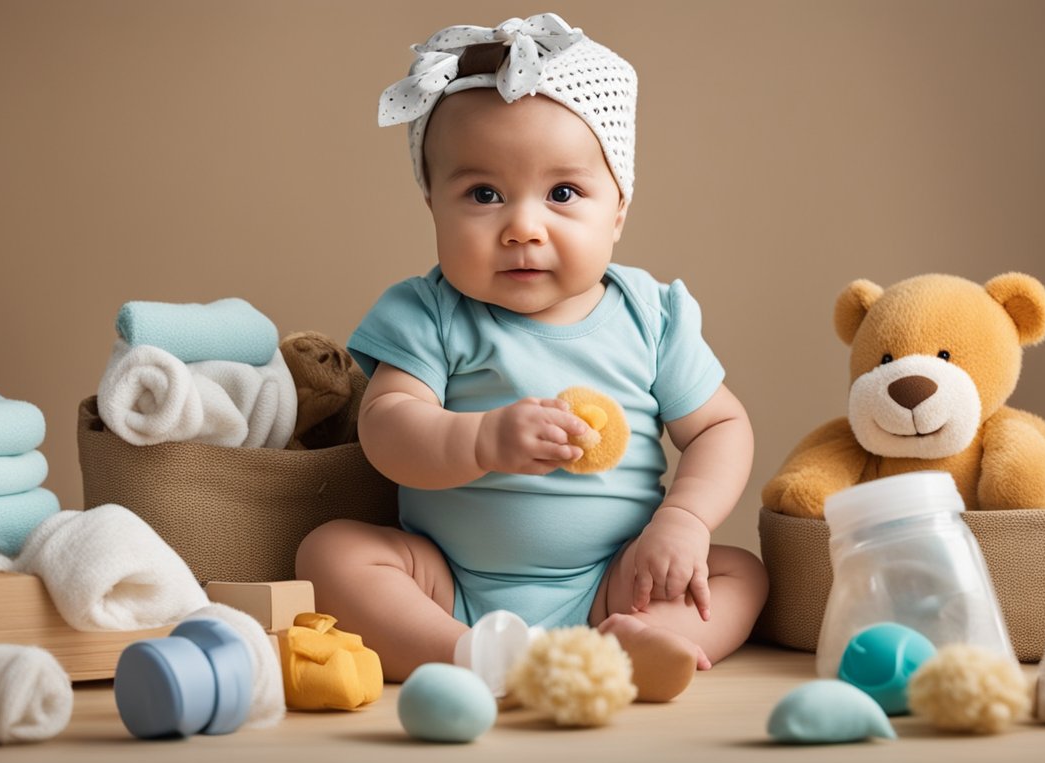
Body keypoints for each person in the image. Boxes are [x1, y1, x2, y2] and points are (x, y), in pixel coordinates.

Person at [296, 12, 767, 702]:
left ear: (618, 209)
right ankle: (469, 654)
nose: (522, 226)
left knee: (740, 574)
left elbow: (722, 429)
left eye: (563, 193)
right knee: (330, 552)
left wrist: (683, 522)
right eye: (483, 194)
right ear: (433, 205)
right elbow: (386, 429)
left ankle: (623, 648)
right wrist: (482, 438)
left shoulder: (650, 315)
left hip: (616, 579)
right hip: (449, 580)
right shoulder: (428, 312)